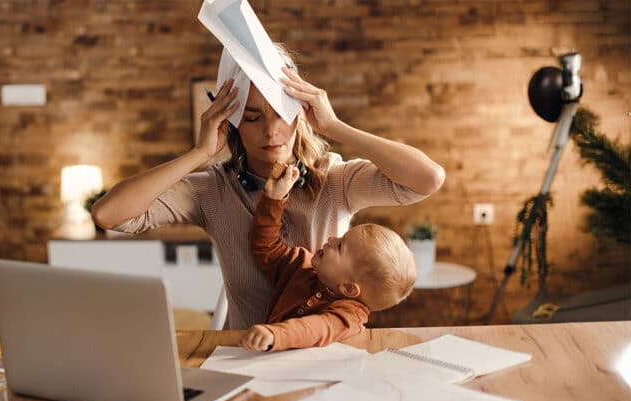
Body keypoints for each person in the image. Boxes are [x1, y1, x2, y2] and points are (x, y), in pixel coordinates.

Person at [91, 45, 445, 329]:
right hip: (245, 361)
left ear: (299, 113)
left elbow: (428, 179)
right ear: (232, 124)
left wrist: (335, 127)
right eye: (252, 117)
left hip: (327, 360)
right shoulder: (212, 191)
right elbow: (108, 214)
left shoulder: (335, 179)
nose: (271, 131)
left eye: (281, 113)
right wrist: (199, 153)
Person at [240, 164, 416, 351]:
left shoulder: (349, 316)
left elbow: (316, 329)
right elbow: (265, 247)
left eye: (340, 246)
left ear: (349, 288)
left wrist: (275, 335)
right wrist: (273, 199)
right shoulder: (300, 265)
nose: (332, 239)